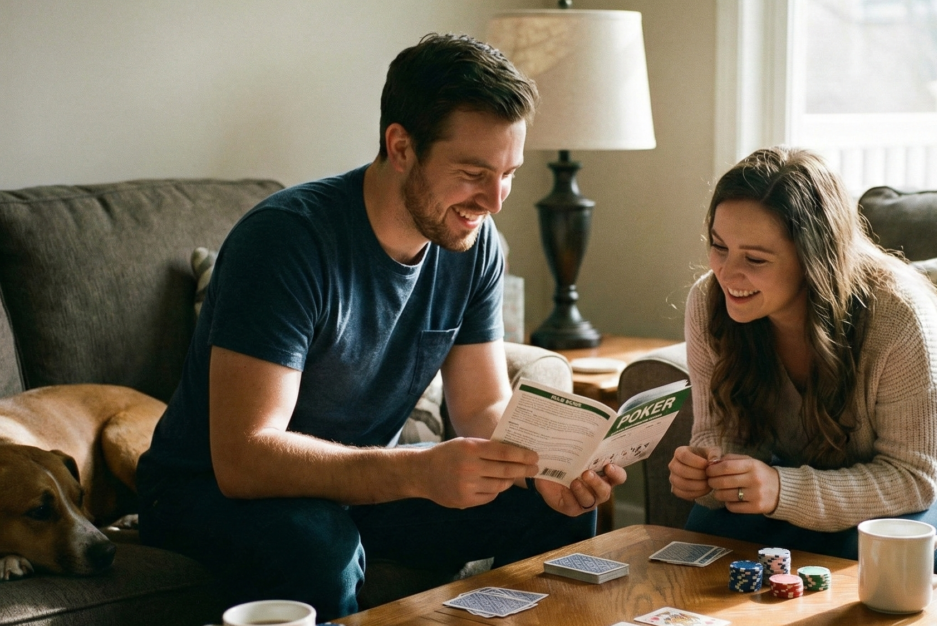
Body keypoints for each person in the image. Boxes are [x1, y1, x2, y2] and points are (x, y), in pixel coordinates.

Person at [136, 33, 625, 620]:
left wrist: (550, 465)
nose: (494, 200)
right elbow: (245, 458)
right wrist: (418, 470)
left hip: (361, 485)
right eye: (473, 172)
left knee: (553, 507)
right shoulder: (286, 241)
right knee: (317, 544)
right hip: (207, 491)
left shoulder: (473, 243)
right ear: (401, 147)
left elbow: (482, 409)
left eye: (509, 173)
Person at [669, 146, 937, 572]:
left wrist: (780, 489)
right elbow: (722, 437)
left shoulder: (899, 315)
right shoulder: (709, 302)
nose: (726, 273)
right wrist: (706, 473)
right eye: (719, 247)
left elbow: (914, 479)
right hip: (812, 473)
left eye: (755, 259)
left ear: (813, 259)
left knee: (871, 559)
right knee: (701, 545)